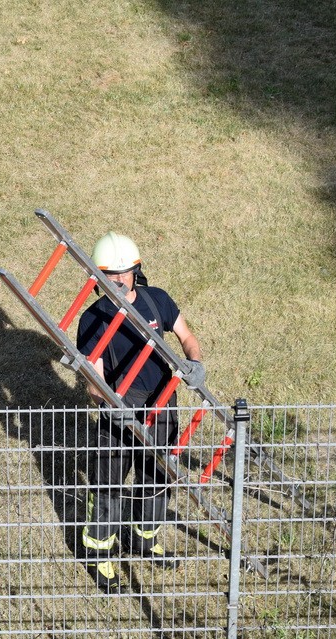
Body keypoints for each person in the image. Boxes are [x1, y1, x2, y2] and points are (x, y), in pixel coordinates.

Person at [75, 231, 205, 593]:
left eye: (125, 273)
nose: (118, 281)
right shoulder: (94, 318)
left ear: (136, 270)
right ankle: (99, 553)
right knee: (109, 484)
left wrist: (195, 363)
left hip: (163, 402)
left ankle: (145, 538)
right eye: (110, 275)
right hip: (119, 407)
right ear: (98, 277)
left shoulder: (157, 300)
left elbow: (187, 337)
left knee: (157, 476)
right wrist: (105, 402)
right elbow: (92, 376)